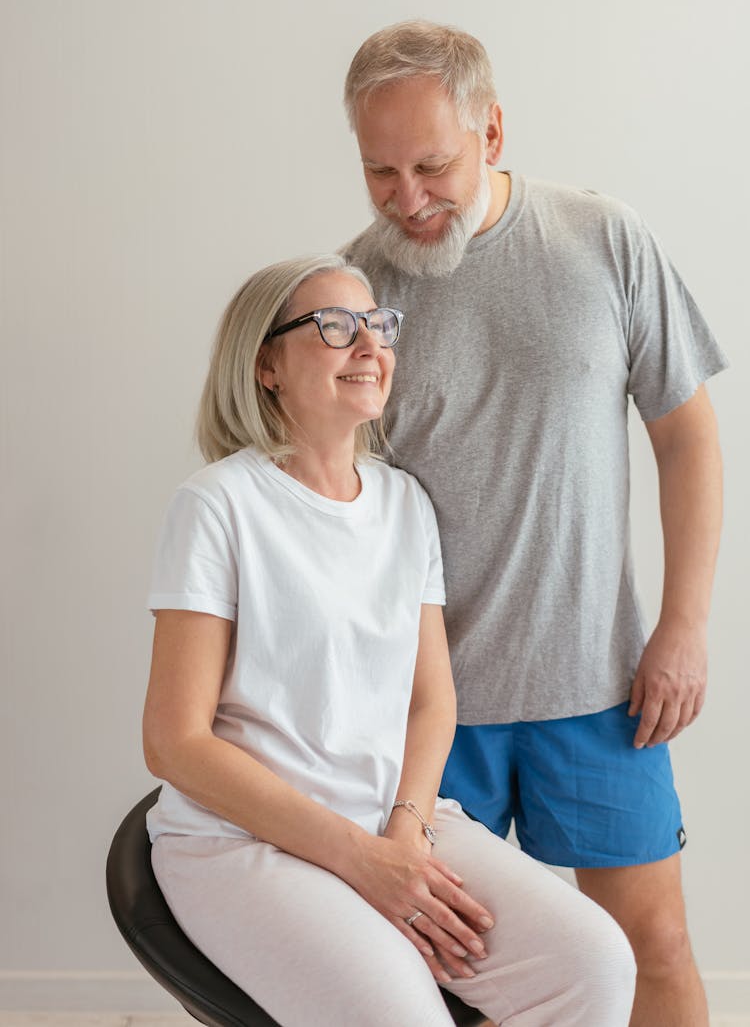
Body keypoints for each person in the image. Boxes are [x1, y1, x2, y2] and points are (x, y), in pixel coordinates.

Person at [342, 21, 727, 1027]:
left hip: (600, 691)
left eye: (432, 164)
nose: (408, 200)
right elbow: (328, 503)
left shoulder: (601, 238)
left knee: (657, 949)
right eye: (380, 173)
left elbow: (687, 438)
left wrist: (682, 628)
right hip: (429, 707)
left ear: (493, 131)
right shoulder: (354, 296)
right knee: (430, 978)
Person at [142, 253, 636, 1027]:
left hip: (394, 819)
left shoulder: (404, 504)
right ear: (266, 364)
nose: (369, 344)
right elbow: (174, 741)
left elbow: (432, 701)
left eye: (379, 325)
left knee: (594, 963)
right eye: (335, 327)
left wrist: (403, 837)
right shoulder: (218, 505)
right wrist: (359, 859)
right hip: (242, 841)